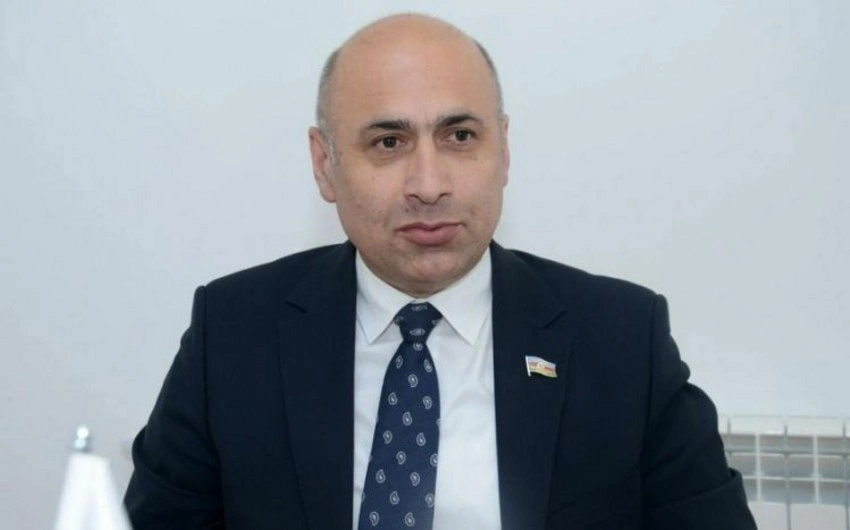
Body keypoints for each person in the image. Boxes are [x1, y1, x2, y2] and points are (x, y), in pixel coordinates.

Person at [124, 13, 756, 530]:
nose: (429, 185)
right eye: (388, 143)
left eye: (459, 137)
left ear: (503, 151)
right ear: (324, 165)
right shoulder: (233, 335)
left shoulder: (622, 340)